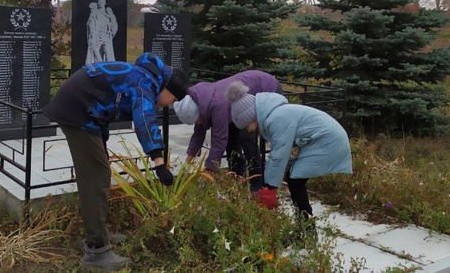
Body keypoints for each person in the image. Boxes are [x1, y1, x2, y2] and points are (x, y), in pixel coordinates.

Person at [42, 52, 189, 270]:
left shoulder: (143, 77)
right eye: (173, 100)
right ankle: (96, 250)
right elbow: (145, 122)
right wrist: (159, 164)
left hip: (84, 110)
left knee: (99, 173)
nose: (168, 105)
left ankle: (97, 232)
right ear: (167, 90)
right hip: (78, 110)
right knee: (96, 177)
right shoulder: (144, 85)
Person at [224, 80, 352, 236]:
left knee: (294, 179)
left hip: (328, 143)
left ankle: (306, 232)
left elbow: (279, 155)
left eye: (245, 125)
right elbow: (277, 156)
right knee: (292, 174)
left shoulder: (277, 118)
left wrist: (270, 189)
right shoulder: (274, 114)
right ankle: (304, 228)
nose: (247, 130)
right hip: (320, 142)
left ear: (250, 116)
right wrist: (268, 185)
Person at [173, 70, 281, 192]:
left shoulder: (216, 104)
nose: (196, 124)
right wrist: (186, 165)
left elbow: (219, 140)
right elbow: (198, 134)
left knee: (246, 137)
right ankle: (237, 178)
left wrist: (208, 172)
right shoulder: (200, 104)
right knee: (231, 140)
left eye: (195, 121)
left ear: (197, 114)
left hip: (266, 87)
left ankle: (257, 180)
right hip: (237, 107)